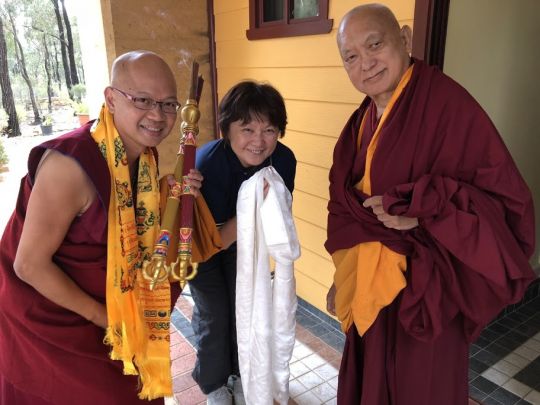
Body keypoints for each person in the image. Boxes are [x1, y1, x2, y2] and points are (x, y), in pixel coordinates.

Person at [325, 4, 536, 405]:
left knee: (422, 388)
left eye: (375, 45)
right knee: (371, 382)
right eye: (351, 57)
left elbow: (507, 204)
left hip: (428, 289)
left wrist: (425, 214)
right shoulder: (362, 121)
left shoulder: (448, 105)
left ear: (404, 39)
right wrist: (343, 278)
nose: (365, 64)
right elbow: (348, 208)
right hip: (370, 285)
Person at [0, 50, 202, 405]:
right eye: (142, 100)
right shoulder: (70, 166)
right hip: (57, 326)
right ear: (111, 98)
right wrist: (107, 318)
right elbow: (28, 264)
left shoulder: (139, 155)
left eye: (169, 104)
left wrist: (169, 194)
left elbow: (126, 223)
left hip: (114, 316)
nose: (157, 115)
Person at [190, 80, 297, 404]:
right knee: (214, 314)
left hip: (248, 249)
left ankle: (241, 373)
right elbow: (211, 242)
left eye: (269, 130)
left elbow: (278, 217)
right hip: (207, 249)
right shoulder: (208, 164)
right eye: (247, 129)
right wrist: (251, 210)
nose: (259, 141)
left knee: (246, 310)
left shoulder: (284, 161)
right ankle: (213, 384)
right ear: (227, 129)